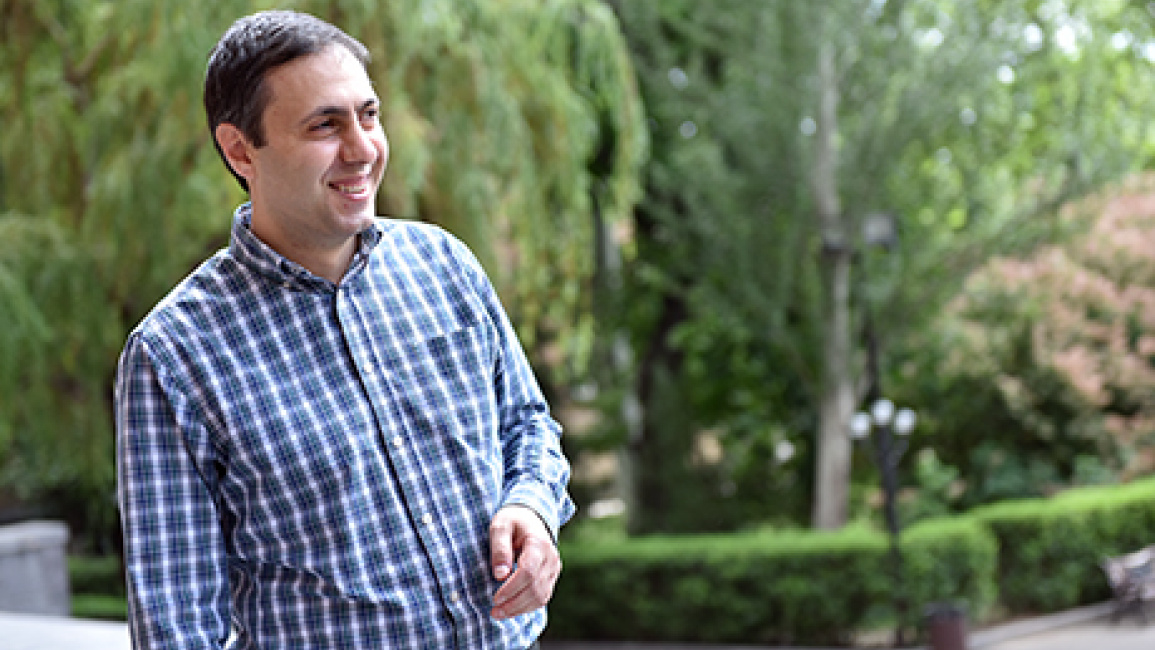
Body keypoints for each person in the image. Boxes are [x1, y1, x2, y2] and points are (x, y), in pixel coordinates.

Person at [115, 10, 574, 649]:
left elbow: (527, 426)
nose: (362, 149)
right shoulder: (173, 354)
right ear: (240, 149)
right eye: (325, 125)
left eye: (368, 115)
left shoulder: (445, 265)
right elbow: (177, 626)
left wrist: (531, 506)